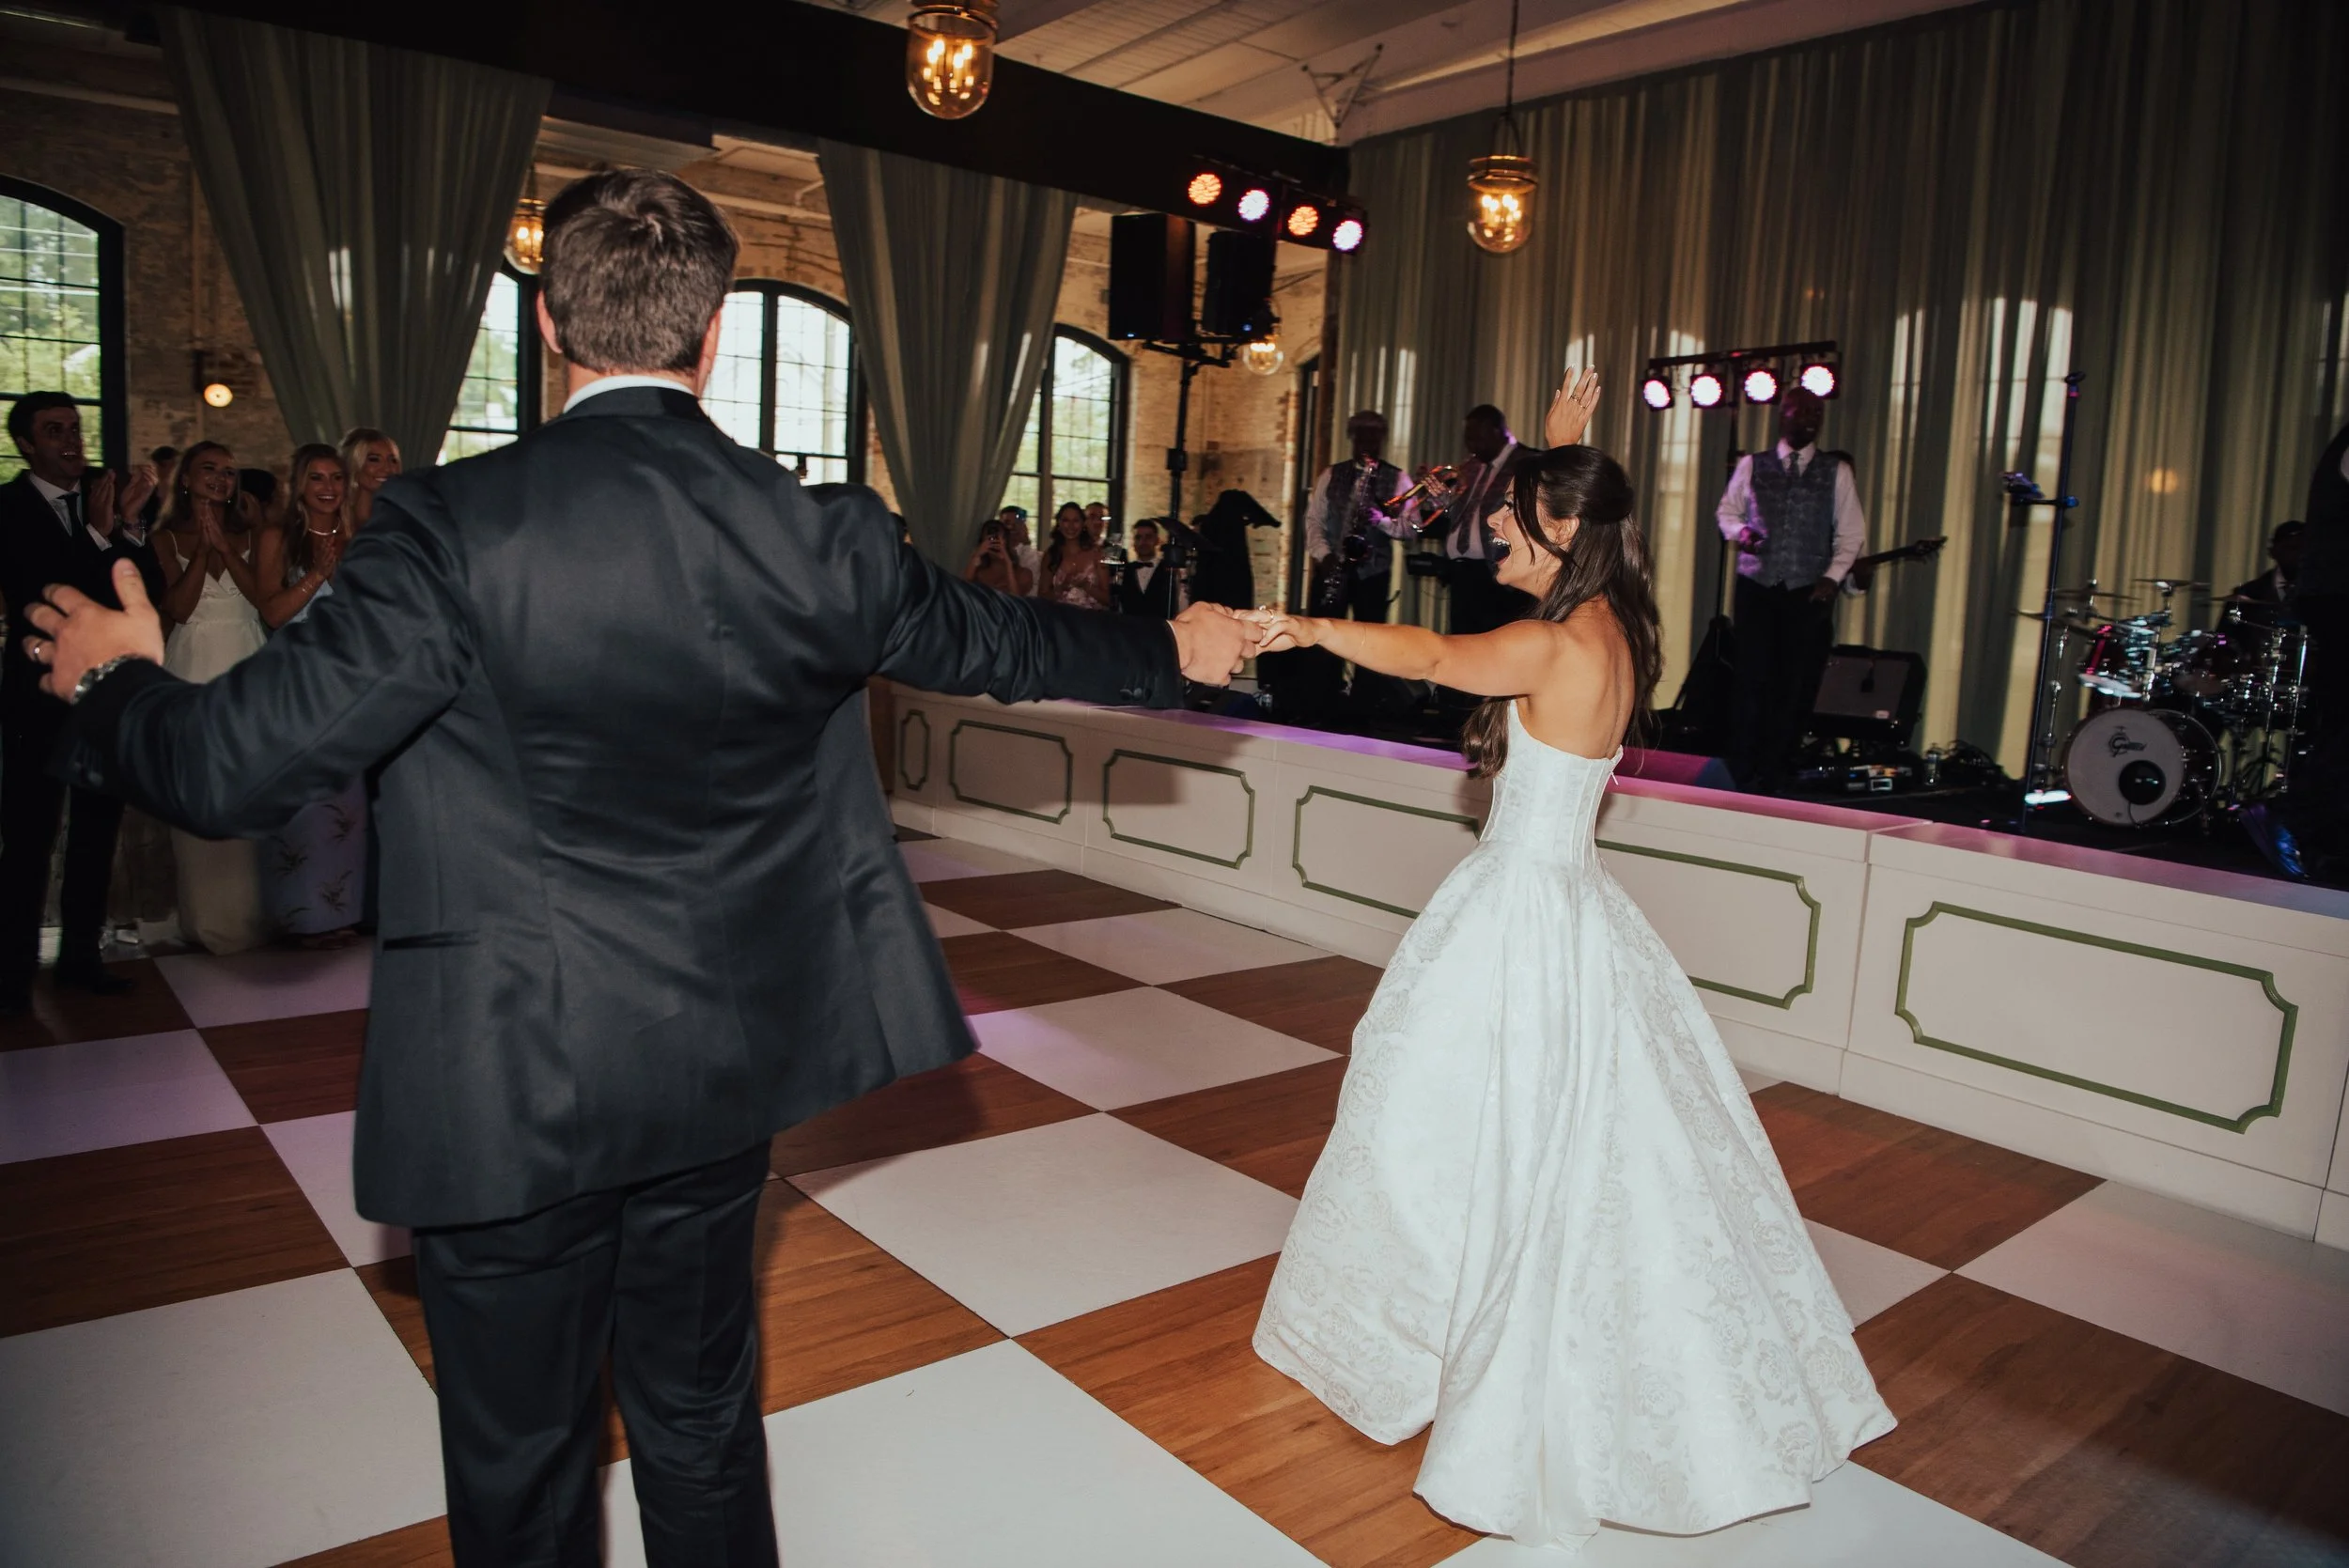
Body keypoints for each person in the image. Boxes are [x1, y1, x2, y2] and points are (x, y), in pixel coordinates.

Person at [23, 167, 1256, 1567]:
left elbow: (230, 767)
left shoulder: (446, 528)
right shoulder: (820, 531)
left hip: (510, 1081)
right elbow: (1004, 643)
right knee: (698, 1411)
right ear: (713, 332)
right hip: (715, 1067)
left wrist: (115, 684)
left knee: (525, 1459)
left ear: (549, 327)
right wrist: (1173, 648)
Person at [1244, 433, 1893, 1554]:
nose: (1488, 529)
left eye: (1509, 518)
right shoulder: (1613, 627)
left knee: (1449, 1125)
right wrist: (1545, 441)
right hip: (1574, 907)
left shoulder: (1550, 646)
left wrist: (1305, 623)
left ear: (1557, 533)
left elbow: (1432, 654)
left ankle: (1450, 1335)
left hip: (1518, 913)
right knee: (1544, 1134)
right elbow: (1540, 559)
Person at [0, 393, 158, 1009]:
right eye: (55, 430)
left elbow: (145, 587)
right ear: (26, 445)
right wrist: (98, 533)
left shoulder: (106, 493)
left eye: (75, 427)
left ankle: (81, 959)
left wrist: (132, 528)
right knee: (30, 838)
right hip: (38, 694)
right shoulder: (8, 506)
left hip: (104, 695)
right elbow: (45, 589)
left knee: (97, 830)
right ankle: (11, 976)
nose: (72, 439)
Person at [1716, 386, 1865, 791]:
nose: (1812, 418)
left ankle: (1775, 769)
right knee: (1751, 679)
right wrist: (1740, 530)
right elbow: (1727, 511)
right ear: (1784, 414)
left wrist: (1832, 577)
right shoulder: (1753, 464)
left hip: (1806, 591)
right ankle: (1741, 768)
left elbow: (1852, 534)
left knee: (1793, 683)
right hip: (1757, 586)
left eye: (1817, 412)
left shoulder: (1837, 471)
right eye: (1803, 410)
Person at [153, 442, 270, 955]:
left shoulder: (254, 537)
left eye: (228, 471)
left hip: (247, 661)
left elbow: (266, 604)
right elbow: (177, 607)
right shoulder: (163, 539)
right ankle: (204, 920)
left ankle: (253, 916)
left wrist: (225, 546)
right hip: (192, 665)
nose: (222, 479)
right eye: (209, 470)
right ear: (185, 480)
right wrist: (200, 549)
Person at [252, 444, 366, 944]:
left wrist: (344, 576)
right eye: (316, 477)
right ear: (299, 484)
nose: (327, 487)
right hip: (294, 681)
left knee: (345, 806)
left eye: (336, 478)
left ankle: (339, 913)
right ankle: (297, 917)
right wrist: (319, 573)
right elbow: (272, 613)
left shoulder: (359, 537)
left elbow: (373, 614)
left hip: (344, 681)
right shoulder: (278, 536)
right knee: (300, 809)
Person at [1417, 403, 1529, 638]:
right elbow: (1455, 512)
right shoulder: (1470, 466)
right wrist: (1436, 496)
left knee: (1494, 646)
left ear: (1497, 432)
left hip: (1496, 574)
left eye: (1476, 437)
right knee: (1461, 647)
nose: (1471, 445)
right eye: (1468, 439)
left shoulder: (1526, 461)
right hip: (1462, 573)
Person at [1303, 411, 1414, 620]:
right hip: (1332, 569)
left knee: (1368, 639)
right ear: (1352, 437)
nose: (1367, 443)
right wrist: (1324, 555)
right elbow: (1314, 520)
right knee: (1323, 638)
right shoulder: (1330, 474)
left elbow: (1411, 529)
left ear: (1382, 440)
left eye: (1374, 437)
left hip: (1373, 576)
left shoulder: (1398, 478)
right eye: (1362, 436)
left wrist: (1380, 521)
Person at [2225, 520, 2305, 621]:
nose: (2298, 555)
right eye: (2291, 548)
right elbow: (2223, 636)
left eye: (2303, 549)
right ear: (2273, 551)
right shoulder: (2247, 593)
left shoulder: (2322, 594)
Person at [1040, 499, 1112, 610]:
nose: (1071, 526)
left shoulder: (1097, 554)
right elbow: (1041, 598)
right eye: (1066, 520)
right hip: (1060, 619)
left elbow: (1108, 599)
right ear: (1059, 523)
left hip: (1092, 620)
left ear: (1083, 524)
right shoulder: (1051, 555)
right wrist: (1062, 588)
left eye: (1076, 521)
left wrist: (1087, 586)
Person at [1114, 519, 1183, 618]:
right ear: (1133, 542)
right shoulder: (1125, 570)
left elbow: (1177, 605)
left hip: (1160, 630)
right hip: (1130, 629)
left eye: (1148, 537)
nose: (1143, 542)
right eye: (1138, 537)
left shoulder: (1169, 570)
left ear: (1157, 540)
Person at [339, 426, 401, 529]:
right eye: (374, 459)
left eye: (393, 460)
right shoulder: (334, 523)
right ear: (353, 464)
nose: (387, 469)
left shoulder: (405, 519)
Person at [964, 509, 1034, 596]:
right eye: (990, 539)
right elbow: (963, 590)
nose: (994, 543)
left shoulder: (1023, 574)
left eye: (998, 539)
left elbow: (1016, 598)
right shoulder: (978, 572)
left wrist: (1007, 563)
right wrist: (976, 555)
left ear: (1006, 540)